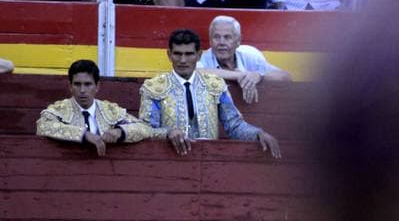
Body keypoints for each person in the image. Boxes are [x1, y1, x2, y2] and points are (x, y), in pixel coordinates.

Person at [139, 28, 281, 158]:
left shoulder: (215, 85)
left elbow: (234, 125)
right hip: (167, 161)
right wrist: (167, 133)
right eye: (177, 54)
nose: (183, 60)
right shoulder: (154, 87)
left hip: (209, 161)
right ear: (169, 55)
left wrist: (257, 134)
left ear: (199, 55)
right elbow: (145, 130)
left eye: (189, 54)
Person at [37, 59, 161, 156]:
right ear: (70, 86)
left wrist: (120, 132)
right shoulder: (59, 110)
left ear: (97, 86)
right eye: (77, 84)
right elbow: (43, 126)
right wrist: (84, 135)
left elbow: (144, 128)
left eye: (88, 84)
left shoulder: (110, 111)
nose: (82, 90)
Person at [197, 14, 292, 103]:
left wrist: (259, 76)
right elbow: (196, 72)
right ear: (210, 41)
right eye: (216, 37)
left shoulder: (249, 56)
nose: (221, 42)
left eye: (227, 37)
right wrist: (239, 75)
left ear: (238, 41)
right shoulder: (204, 58)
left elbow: (285, 76)